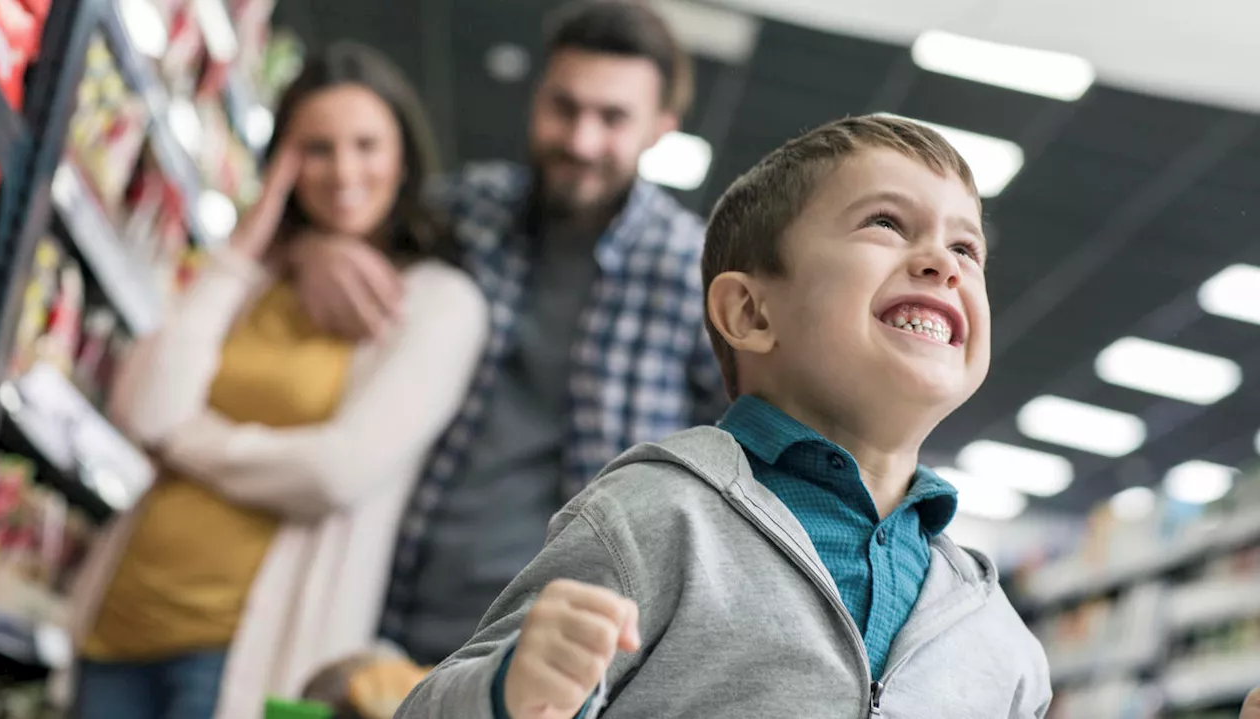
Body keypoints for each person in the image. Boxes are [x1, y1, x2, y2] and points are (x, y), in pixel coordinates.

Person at [397, 115, 1050, 718]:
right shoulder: (653, 520)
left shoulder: (1003, 646)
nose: (943, 262)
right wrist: (509, 691)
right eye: (885, 223)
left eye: (967, 249)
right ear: (751, 314)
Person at [285, 0, 725, 666]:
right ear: (537, 95)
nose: (580, 140)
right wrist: (312, 247)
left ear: (660, 128)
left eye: (612, 118)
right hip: (374, 599)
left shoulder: (695, 276)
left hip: (540, 646)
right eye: (564, 106)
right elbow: (347, 217)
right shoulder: (466, 210)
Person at [65, 42, 487, 719]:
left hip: (243, 655)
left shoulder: (440, 302)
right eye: (316, 148)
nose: (343, 169)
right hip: (119, 622)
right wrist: (242, 249)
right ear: (284, 162)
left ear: (403, 156)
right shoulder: (255, 280)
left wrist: (184, 439)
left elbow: (334, 473)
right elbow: (139, 408)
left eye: (366, 145)